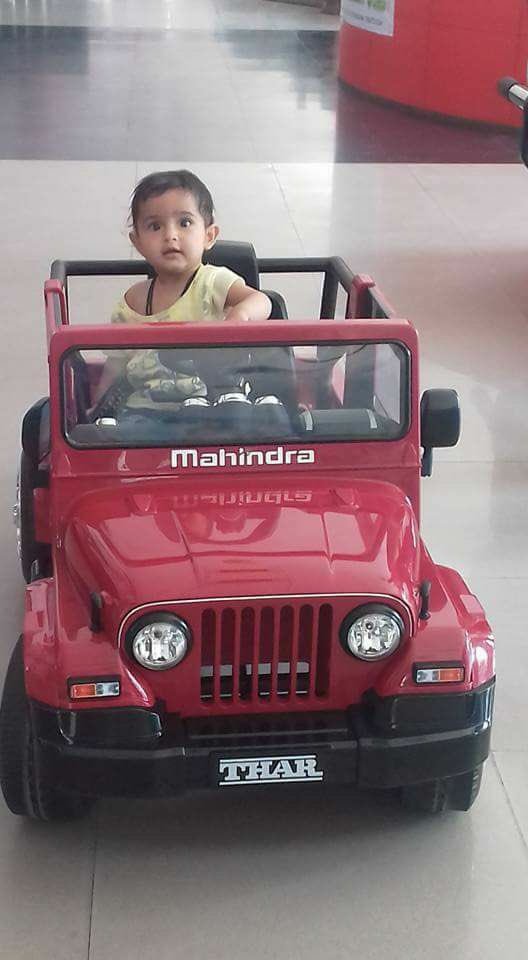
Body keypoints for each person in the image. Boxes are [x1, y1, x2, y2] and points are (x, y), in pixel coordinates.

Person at [106, 170, 272, 414]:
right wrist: (94, 407)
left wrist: (240, 317)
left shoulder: (213, 282)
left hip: (211, 406)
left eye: (184, 223)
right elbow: (114, 368)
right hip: (146, 412)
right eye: (155, 226)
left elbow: (260, 300)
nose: (170, 236)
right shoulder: (132, 302)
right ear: (137, 242)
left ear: (208, 236)